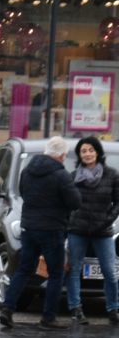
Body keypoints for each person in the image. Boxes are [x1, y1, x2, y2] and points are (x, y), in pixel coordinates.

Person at [0, 136, 80, 329]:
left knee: (24, 269)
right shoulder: (61, 175)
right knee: (56, 273)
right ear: (61, 155)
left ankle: (7, 309)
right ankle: (48, 317)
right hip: (52, 229)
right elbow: (75, 202)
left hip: (29, 227)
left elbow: (24, 193)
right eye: (65, 155)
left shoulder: (28, 171)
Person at [64, 135, 119, 325]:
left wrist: (107, 220)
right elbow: (67, 204)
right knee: (74, 270)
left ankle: (113, 309)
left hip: (103, 231)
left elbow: (117, 203)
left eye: (91, 150)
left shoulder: (112, 175)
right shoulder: (73, 177)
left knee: (110, 272)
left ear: (98, 152)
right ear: (79, 155)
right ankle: (75, 308)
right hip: (77, 230)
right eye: (83, 151)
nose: (87, 154)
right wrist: (69, 222)